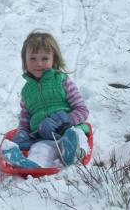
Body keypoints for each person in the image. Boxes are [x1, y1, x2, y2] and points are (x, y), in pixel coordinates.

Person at [11, 31, 90, 166]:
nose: (39, 64)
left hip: (68, 129)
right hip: (43, 136)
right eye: (33, 58)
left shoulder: (62, 81)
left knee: (77, 136)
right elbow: (25, 121)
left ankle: (74, 152)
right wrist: (22, 134)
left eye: (45, 58)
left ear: (54, 60)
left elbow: (82, 110)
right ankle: (30, 163)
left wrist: (64, 119)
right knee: (39, 149)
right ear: (25, 61)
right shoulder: (27, 91)